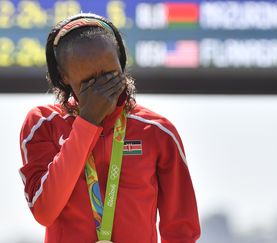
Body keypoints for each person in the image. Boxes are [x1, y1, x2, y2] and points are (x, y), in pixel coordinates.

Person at [19, 13, 200, 243]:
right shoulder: (42, 124)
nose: (103, 90)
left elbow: (181, 231)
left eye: (110, 74)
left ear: (121, 62)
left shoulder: (158, 131)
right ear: (63, 77)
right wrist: (87, 122)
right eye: (89, 82)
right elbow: (44, 210)